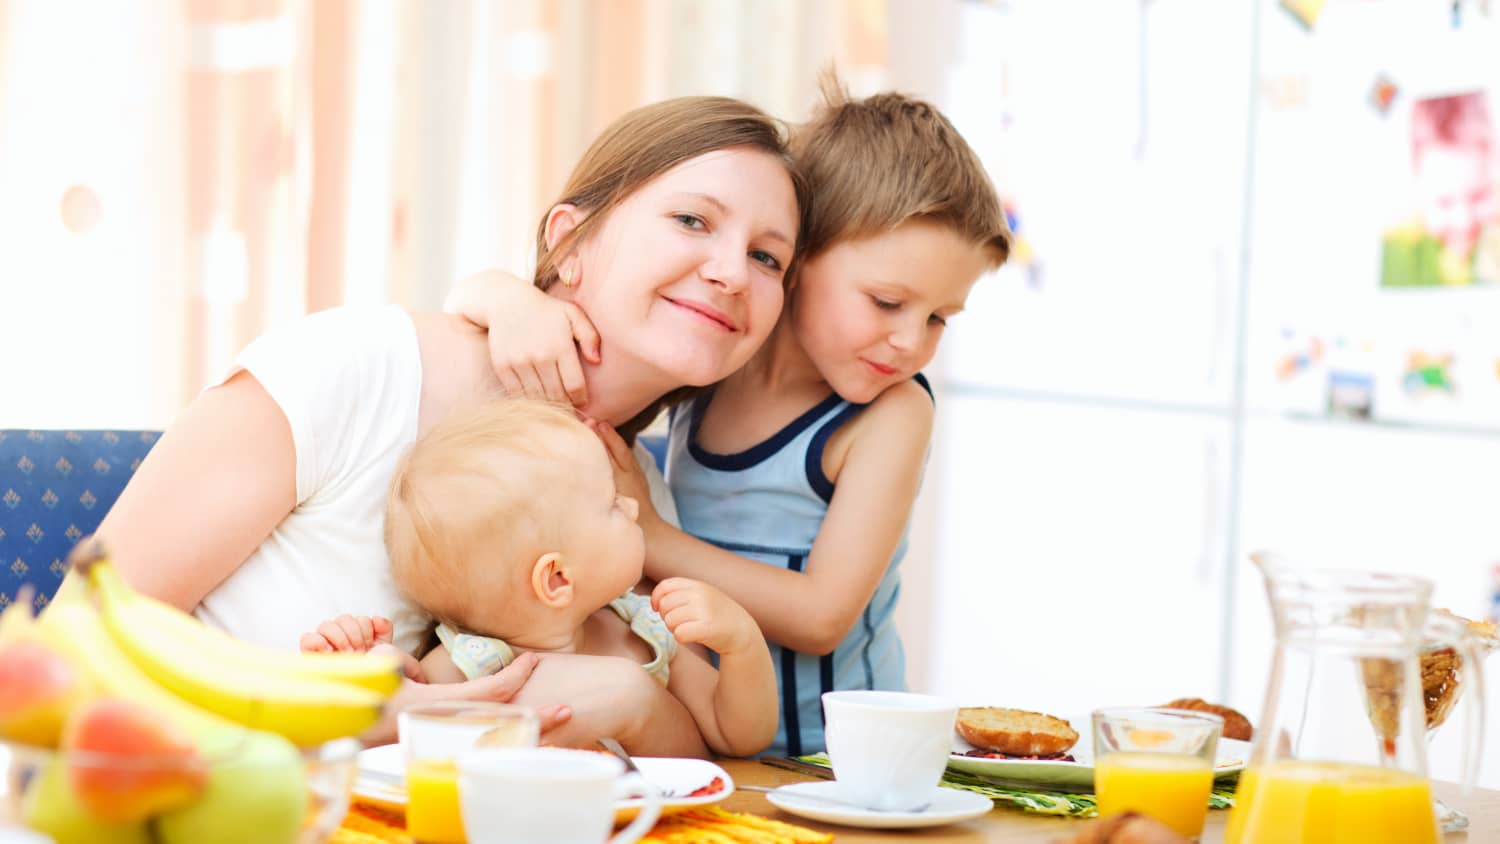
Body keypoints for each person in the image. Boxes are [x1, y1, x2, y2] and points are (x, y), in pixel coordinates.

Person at [81, 95, 805, 751]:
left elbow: (687, 753)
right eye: (691, 220)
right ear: (572, 240)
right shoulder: (356, 366)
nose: (733, 272)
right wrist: (356, 717)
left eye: (768, 257)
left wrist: (627, 700)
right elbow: (74, 648)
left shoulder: (631, 495)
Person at [452, 80, 1010, 755]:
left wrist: (652, 539)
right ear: (799, 260)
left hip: (835, 758)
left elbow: (822, 615)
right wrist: (509, 300)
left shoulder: (890, 411)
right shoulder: (714, 360)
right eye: (887, 302)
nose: (910, 341)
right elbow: (565, 320)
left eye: (938, 318)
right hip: (704, 732)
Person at [302, 400, 778, 756]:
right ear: (555, 579)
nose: (633, 506)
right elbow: (408, 736)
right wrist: (371, 665)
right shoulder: (472, 665)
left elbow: (737, 736)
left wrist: (742, 643)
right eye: (612, 504)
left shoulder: (643, 629)